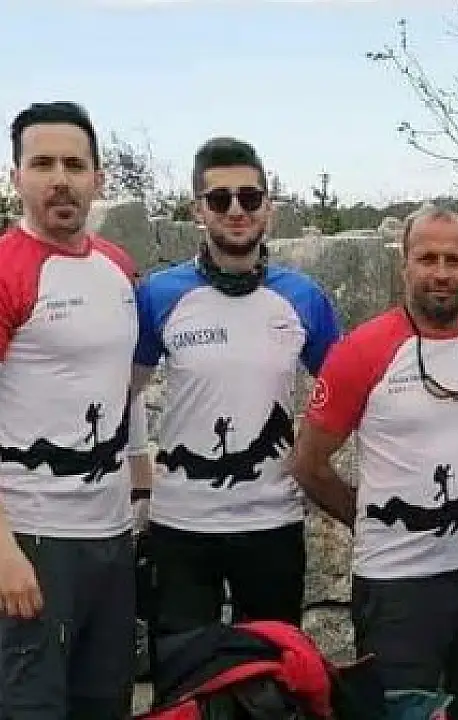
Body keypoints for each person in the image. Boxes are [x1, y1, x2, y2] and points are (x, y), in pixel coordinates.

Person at [293, 207, 458, 720]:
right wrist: (368, 518)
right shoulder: (362, 352)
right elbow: (308, 464)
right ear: (405, 265)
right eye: (427, 259)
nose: (441, 273)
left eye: (454, 260)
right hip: (397, 585)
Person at [129, 137, 341, 637]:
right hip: (181, 524)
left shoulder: (304, 298)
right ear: (198, 210)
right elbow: (123, 393)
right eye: (220, 199)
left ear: (268, 206)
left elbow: (343, 396)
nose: (236, 210)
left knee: (270, 674)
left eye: (249, 197)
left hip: (271, 521)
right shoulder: (159, 295)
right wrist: (139, 482)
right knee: (184, 674)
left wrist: (316, 466)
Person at [0, 102, 140, 718]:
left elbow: (124, 388)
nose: (60, 179)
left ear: (98, 178)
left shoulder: (118, 268)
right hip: (32, 539)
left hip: (110, 536)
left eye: (74, 165)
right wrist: (3, 551)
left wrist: (142, 496)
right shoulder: (7, 270)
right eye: (42, 164)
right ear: (16, 177)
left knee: (104, 704)